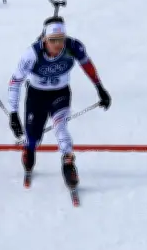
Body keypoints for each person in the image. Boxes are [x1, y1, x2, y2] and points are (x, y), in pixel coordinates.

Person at [8, 16, 111, 189]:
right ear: (44, 39)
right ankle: (29, 149)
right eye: (52, 40)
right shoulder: (31, 54)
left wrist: (100, 87)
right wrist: (13, 113)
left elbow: (87, 66)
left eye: (61, 40)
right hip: (36, 96)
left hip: (60, 94)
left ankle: (68, 163)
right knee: (33, 137)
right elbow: (15, 81)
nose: (57, 45)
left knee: (60, 127)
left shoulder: (73, 47)